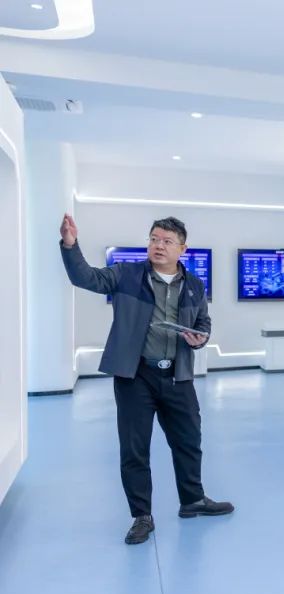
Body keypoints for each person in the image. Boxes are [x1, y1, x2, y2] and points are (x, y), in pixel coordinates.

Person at [58, 214, 234, 545]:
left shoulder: (194, 285)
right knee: (134, 448)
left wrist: (201, 337)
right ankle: (142, 516)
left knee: (188, 440)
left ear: (183, 248)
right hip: (135, 376)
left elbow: (203, 322)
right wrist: (70, 245)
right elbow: (85, 277)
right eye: (154, 239)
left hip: (178, 376)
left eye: (167, 241)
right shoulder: (126, 274)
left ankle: (193, 500)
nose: (158, 246)